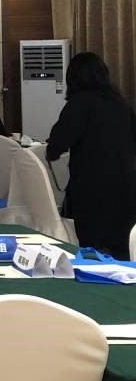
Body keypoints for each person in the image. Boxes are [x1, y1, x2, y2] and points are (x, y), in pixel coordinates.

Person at [47, 51, 136, 257]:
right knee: (123, 251)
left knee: (93, 252)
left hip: (92, 191)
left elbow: (56, 146)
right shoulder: (121, 104)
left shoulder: (79, 104)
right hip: (126, 188)